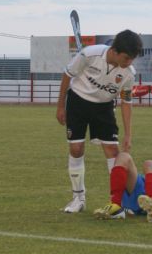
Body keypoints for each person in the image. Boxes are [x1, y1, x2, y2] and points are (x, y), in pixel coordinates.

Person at [56, 30, 142, 213]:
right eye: (127, 58)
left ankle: (117, 203)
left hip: (104, 107)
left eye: (132, 59)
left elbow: (126, 102)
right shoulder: (89, 54)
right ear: (115, 50)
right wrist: (60, 106)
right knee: (76, 148)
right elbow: (67, 75)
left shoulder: (129, 74)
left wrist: (128, 134)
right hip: (77, 103)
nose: (129, 63)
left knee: (113, 151)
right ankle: (78, 199)